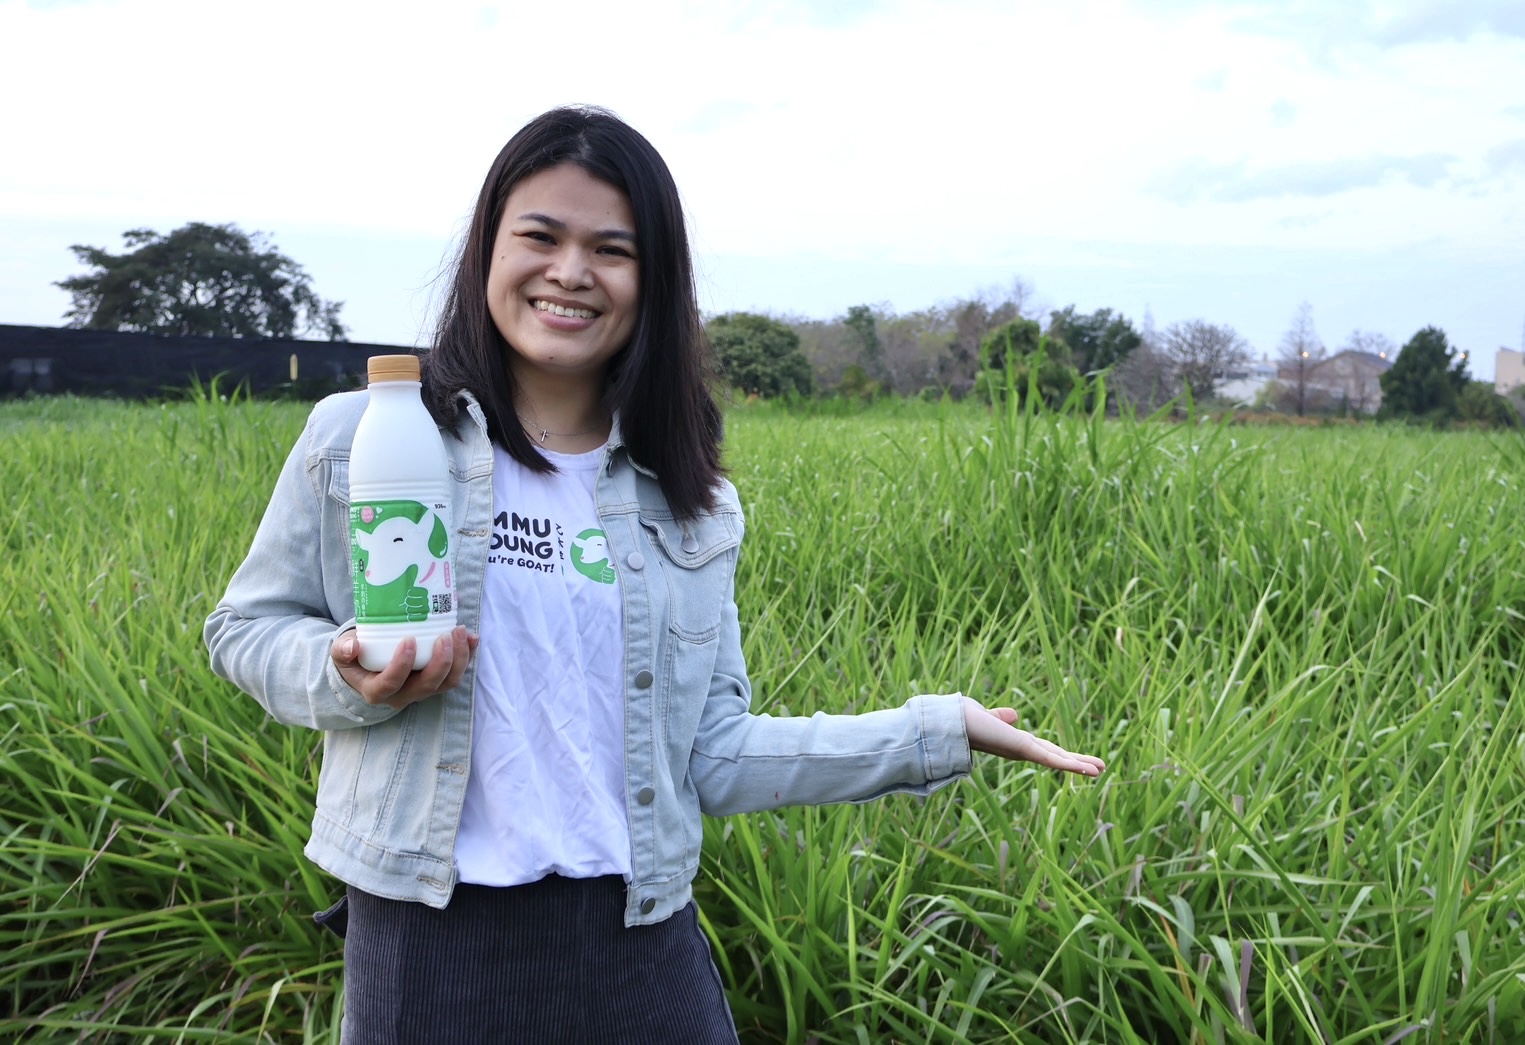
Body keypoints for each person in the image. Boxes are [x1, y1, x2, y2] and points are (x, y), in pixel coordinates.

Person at [204, 104, 1104, 1044]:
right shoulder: (369, 435)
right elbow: (246, 627)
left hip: (636, 942)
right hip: (430, 936)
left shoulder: (693, 504)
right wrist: (342, 670)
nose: (570, 273)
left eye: (612, 250)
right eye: (540, 237)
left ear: (653, 279)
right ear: (486, 253)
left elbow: (710, 752)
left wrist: (930, 731)